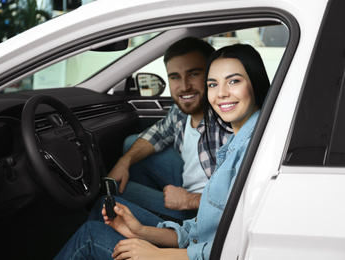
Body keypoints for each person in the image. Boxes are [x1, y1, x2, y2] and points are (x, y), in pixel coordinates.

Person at [54, 43, 270, 259]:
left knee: (90, 235)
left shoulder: (249, 149)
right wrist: (141, 231)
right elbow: (205, 227)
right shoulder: (235, 139)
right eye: (214, 84)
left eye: (234, 81)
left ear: (255, 82)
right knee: (127, 159)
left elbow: (231, 248)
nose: (221, 93)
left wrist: (158, 255)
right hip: (197, 236)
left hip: (199, 246)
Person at [109, 37, 232, 220]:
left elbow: (236, 197)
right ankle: (150, 222)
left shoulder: (226, 122)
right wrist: (124, 161)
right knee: (132, 145)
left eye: (193, 74)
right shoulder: (182, 110)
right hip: (188, 186)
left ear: (212, 75)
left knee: (111, 200)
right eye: (175, 77)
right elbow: (159, 133)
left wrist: (187, 200)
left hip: (203, 211)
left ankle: (160, 229)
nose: (184, 87)